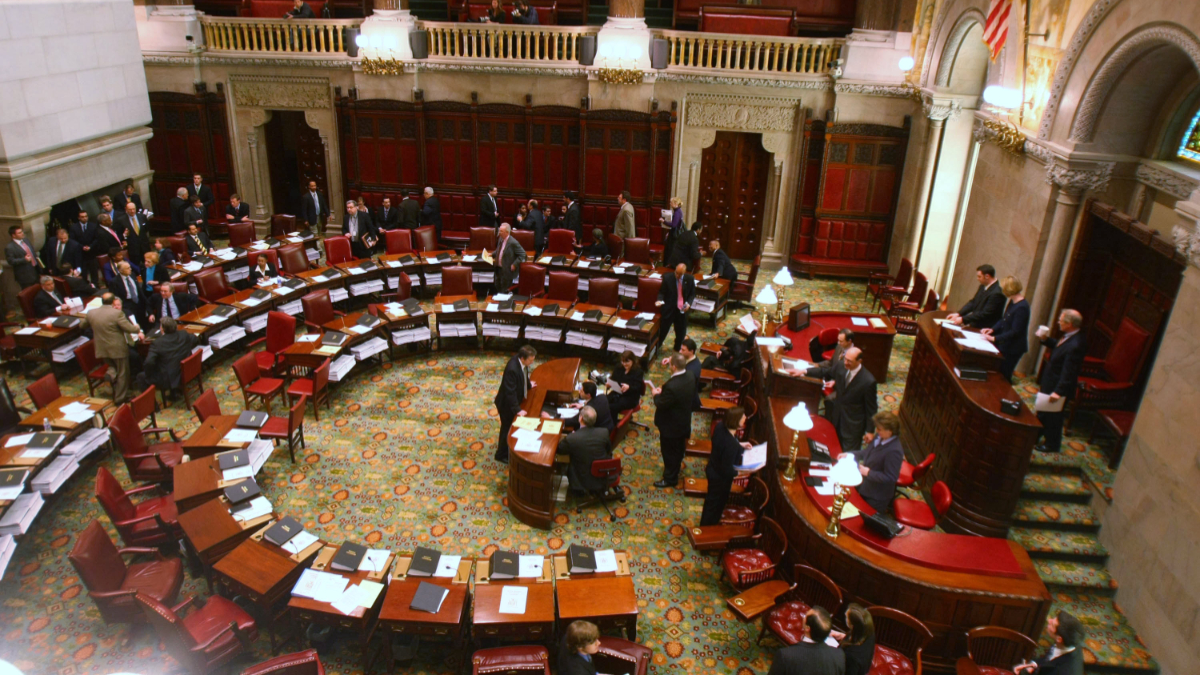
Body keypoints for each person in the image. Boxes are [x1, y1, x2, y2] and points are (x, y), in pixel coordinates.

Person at [802, 347, 877, 452]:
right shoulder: (841, 366)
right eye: (845, 359)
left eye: (849, 361)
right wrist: (804, 371)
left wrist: (870, 430)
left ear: (859, 361)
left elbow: (872, 409)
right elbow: (825, 371)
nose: (845, 362)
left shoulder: (868, 381)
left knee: (849, 455)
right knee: (833, 448)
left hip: (853, 425)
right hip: (836, 417)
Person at [1035, 309, 1086, 453]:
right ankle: (1036, 435)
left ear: (1069, 324)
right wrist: (1045, 339)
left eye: (1061, 320)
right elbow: (1059, 346)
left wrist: (1058, 391)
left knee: (1053, 417)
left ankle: (1052, 445)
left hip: (1057, 387)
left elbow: (1069, 372)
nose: (1058, 322)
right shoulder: (1071, 336)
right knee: (1044, 412)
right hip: (1051, 381)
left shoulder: (1076, 345)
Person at [84, 294, 143, 404]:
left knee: (113, 366)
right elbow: (130, 329)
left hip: (102, 349)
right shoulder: (117, 314)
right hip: (117, 349)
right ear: (112, 303)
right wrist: (137, 327)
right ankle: (120, 398)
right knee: (122, 373)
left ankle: (110, 375)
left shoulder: (91, 312)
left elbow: (82, 325)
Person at [841, 411, 903, 514]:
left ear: (890, 431)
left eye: (880, 429)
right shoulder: (880, 437)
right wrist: (850, 454)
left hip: (877, 496)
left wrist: (869, 473)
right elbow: (866, 453)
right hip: (866, 486)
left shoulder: (894, 451)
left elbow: (891, 477)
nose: (877, 431)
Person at [700, 406, 750, 525]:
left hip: (712, 468)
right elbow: (727, 470)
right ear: (735, 421)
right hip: (720, 481)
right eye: (742, 417)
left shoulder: (720, 427)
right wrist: (743, 472)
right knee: (715, 507)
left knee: (710, 503)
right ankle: (706, 532)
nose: (745, 418)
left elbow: (724, 444)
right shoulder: (731, 445)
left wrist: (740, 445)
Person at [652, 353, 696, 488]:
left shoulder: (673, 386)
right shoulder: (690, 375)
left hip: (671, 427)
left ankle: (670, 478)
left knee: (669, 452)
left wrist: (656, 395)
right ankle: (675, 469)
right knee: (678, 449)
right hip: (683, 421)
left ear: (674, 366)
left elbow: (661, 404)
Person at [767, 606, 845, 675]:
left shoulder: (785, 656)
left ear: (808, 628)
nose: (803, 617)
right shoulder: (839, 655)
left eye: (805, 616)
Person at [980, 275, 1030, 381]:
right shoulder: (1012, 301)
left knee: (1004, 375)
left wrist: (995, 338)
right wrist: (992, 329)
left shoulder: (1022, 307)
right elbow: (1004, 319)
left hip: (1013, 348)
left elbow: (1015, 331)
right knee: (997, 371)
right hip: (1005, 343)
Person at [494, 345, 536, 463]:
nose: (532, 363)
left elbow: (525, 373)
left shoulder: (522, 363)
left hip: (512, 400)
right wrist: (517, 410)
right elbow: (509, 392)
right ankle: (501, 454)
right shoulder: (512, 368)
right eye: (531, 360)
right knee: (507, 428)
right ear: (523, 358)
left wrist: (528, 385)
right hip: (506, 405)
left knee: (510, 428)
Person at [140, 317, 200, 398]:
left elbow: (149, 362)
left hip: (169, 379)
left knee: (141, 376)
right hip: (187, 371)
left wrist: (150, 373)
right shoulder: (184, 334)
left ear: (162, 329)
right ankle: (174, 392)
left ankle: (153, 408)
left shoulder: (157, 343)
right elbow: (195, 340)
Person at [561, 407, 612, 498]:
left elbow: (560, 449)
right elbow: (608, 450)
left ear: (580, 418)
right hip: (603, 473)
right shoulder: (604, 432)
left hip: (583, 478)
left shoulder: (573, 438)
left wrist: (569, 437)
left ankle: (578, 491)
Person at [1014, 611, 1084, 675]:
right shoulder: (1071, 642)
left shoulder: (1061, 671)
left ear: (1059, 639)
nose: (1048, 620)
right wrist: (1033, 665)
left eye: (1052, 625)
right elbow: (1048, 660)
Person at [657, 262, 695, 351]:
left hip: (682, 310)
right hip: (669, 309)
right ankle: (656, 348)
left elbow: (692, 294)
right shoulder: (667, 278)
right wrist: (659, 300)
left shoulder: (689, 279)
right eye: (676, 273)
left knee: (681, 334)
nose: (677, 275)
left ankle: (677, 349)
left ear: (684, 272)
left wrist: (688, 304)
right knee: (663, 331)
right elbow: (661, 292)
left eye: (680, 274)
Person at [836, 605, 875, 675]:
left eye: (846, 617)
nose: (845, 615)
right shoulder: (869, 632)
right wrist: (842, 635)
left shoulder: (851, 656)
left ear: (853, 625)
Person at [605, 350, 645, 416]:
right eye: (622, 361)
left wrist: (629, 387)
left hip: (630, 397)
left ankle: (612, 424)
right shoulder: (619, 368)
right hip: (617, 392)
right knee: (604, 402)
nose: (624, 364)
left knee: (612, 407)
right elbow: (613, 379)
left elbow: (638, 387)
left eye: (627, 361)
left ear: (633, 361)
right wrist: (609, 384)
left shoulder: (638, 372)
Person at [108, 261, 147, 325]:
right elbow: (114, 296)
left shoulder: (132, 275)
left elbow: (138, 289)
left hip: (138, 301)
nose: (130, 269)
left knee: (143, 320)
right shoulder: (114, 282)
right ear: (121, 270)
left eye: (130, 267)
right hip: (127, 304)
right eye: (127, 268)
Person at [69, 209, 100, 283]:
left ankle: (96, 284)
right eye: (82, 217)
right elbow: (72, 240)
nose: (84, 218)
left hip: (91, 252)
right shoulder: (74, 227)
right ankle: (85, 285)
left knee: (94, 270)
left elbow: (97, 238)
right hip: (81, 254)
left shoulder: (93, 226)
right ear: (79, 218)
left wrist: (90, 246)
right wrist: (82, 247)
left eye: (86, 216)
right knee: (84, 272)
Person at [493, 223, 525, 293]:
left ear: (507, 232)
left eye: (501, 231)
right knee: (497, 285)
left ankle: (504, 302)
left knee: (504, 289)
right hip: (498, 268)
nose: (499, 233)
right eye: (499, 230)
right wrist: (491, 254)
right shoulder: (500, 239)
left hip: (507, 270)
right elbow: (499, 250)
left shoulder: (513, 242)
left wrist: (515, 264)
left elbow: (523, 254)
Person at [119, 202, 151, 268]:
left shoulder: (142, 217)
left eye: (134, 209)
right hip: (133, 249)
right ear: (126, 209)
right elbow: (120, 235)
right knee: (136, 267)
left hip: (145, 246)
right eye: (130, 209)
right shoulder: (121, 220)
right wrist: (124, 235)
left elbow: (147, 229)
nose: (132, 211)